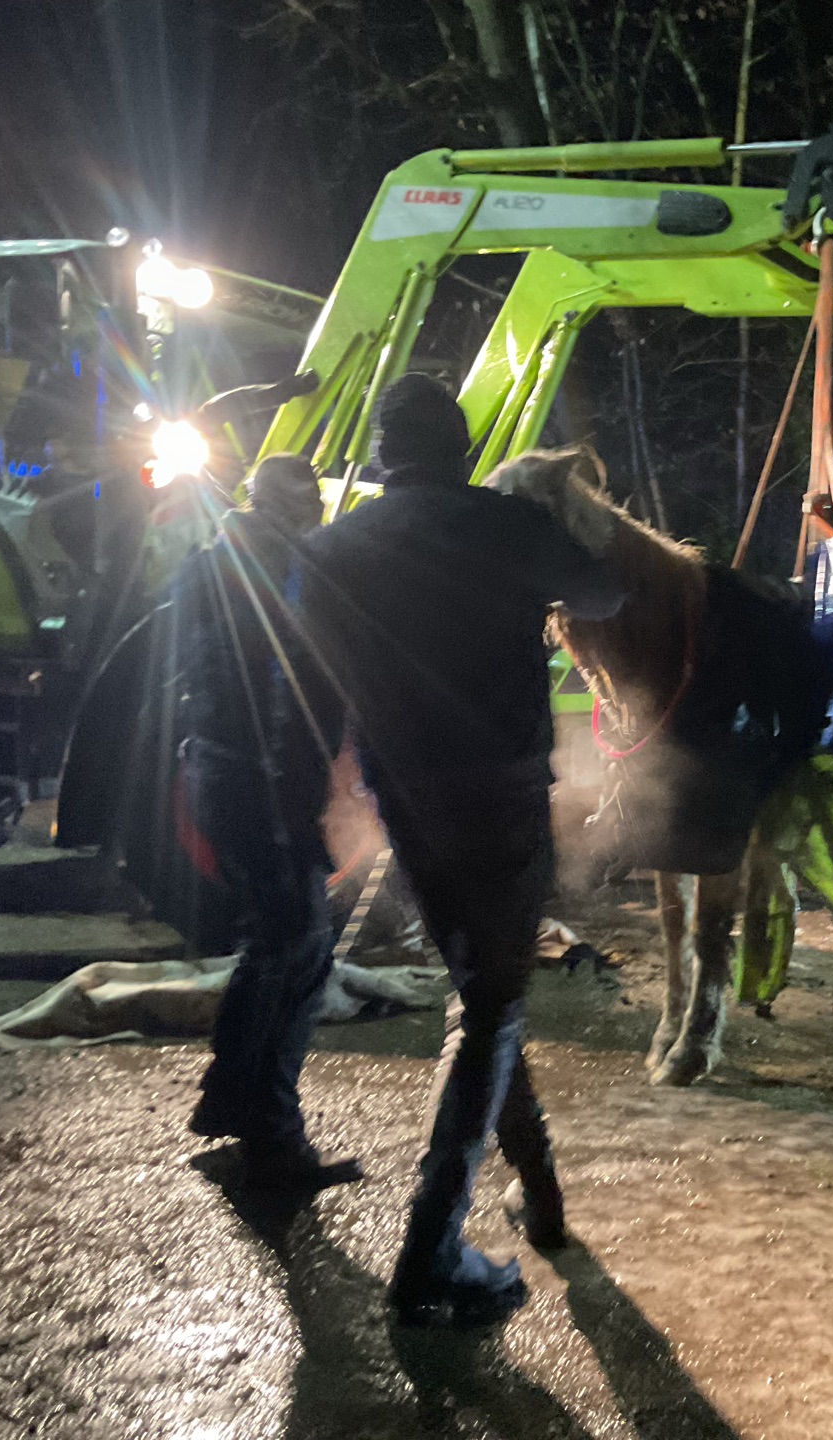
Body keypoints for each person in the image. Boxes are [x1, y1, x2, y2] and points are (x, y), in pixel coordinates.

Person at [298, 373, 624, 1326]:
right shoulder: (503, 525)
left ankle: (541, 1194)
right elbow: (606, 591)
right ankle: (431, 1248)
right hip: (501, 795)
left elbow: (309, 672)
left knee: (486, 991)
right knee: (490, 1004)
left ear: (380, 453)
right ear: (463, 448)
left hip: (406, 799)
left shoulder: (331, 547)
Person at [174, 453, 362, 1189]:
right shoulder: (287, 571)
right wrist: (300, 790)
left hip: (224, 772)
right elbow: (289, 685)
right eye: (307, 501)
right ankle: (273, 1140)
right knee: (298, 945)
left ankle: (230, 1102)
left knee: (279, 944)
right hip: (264, 782)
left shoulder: (209, 562)